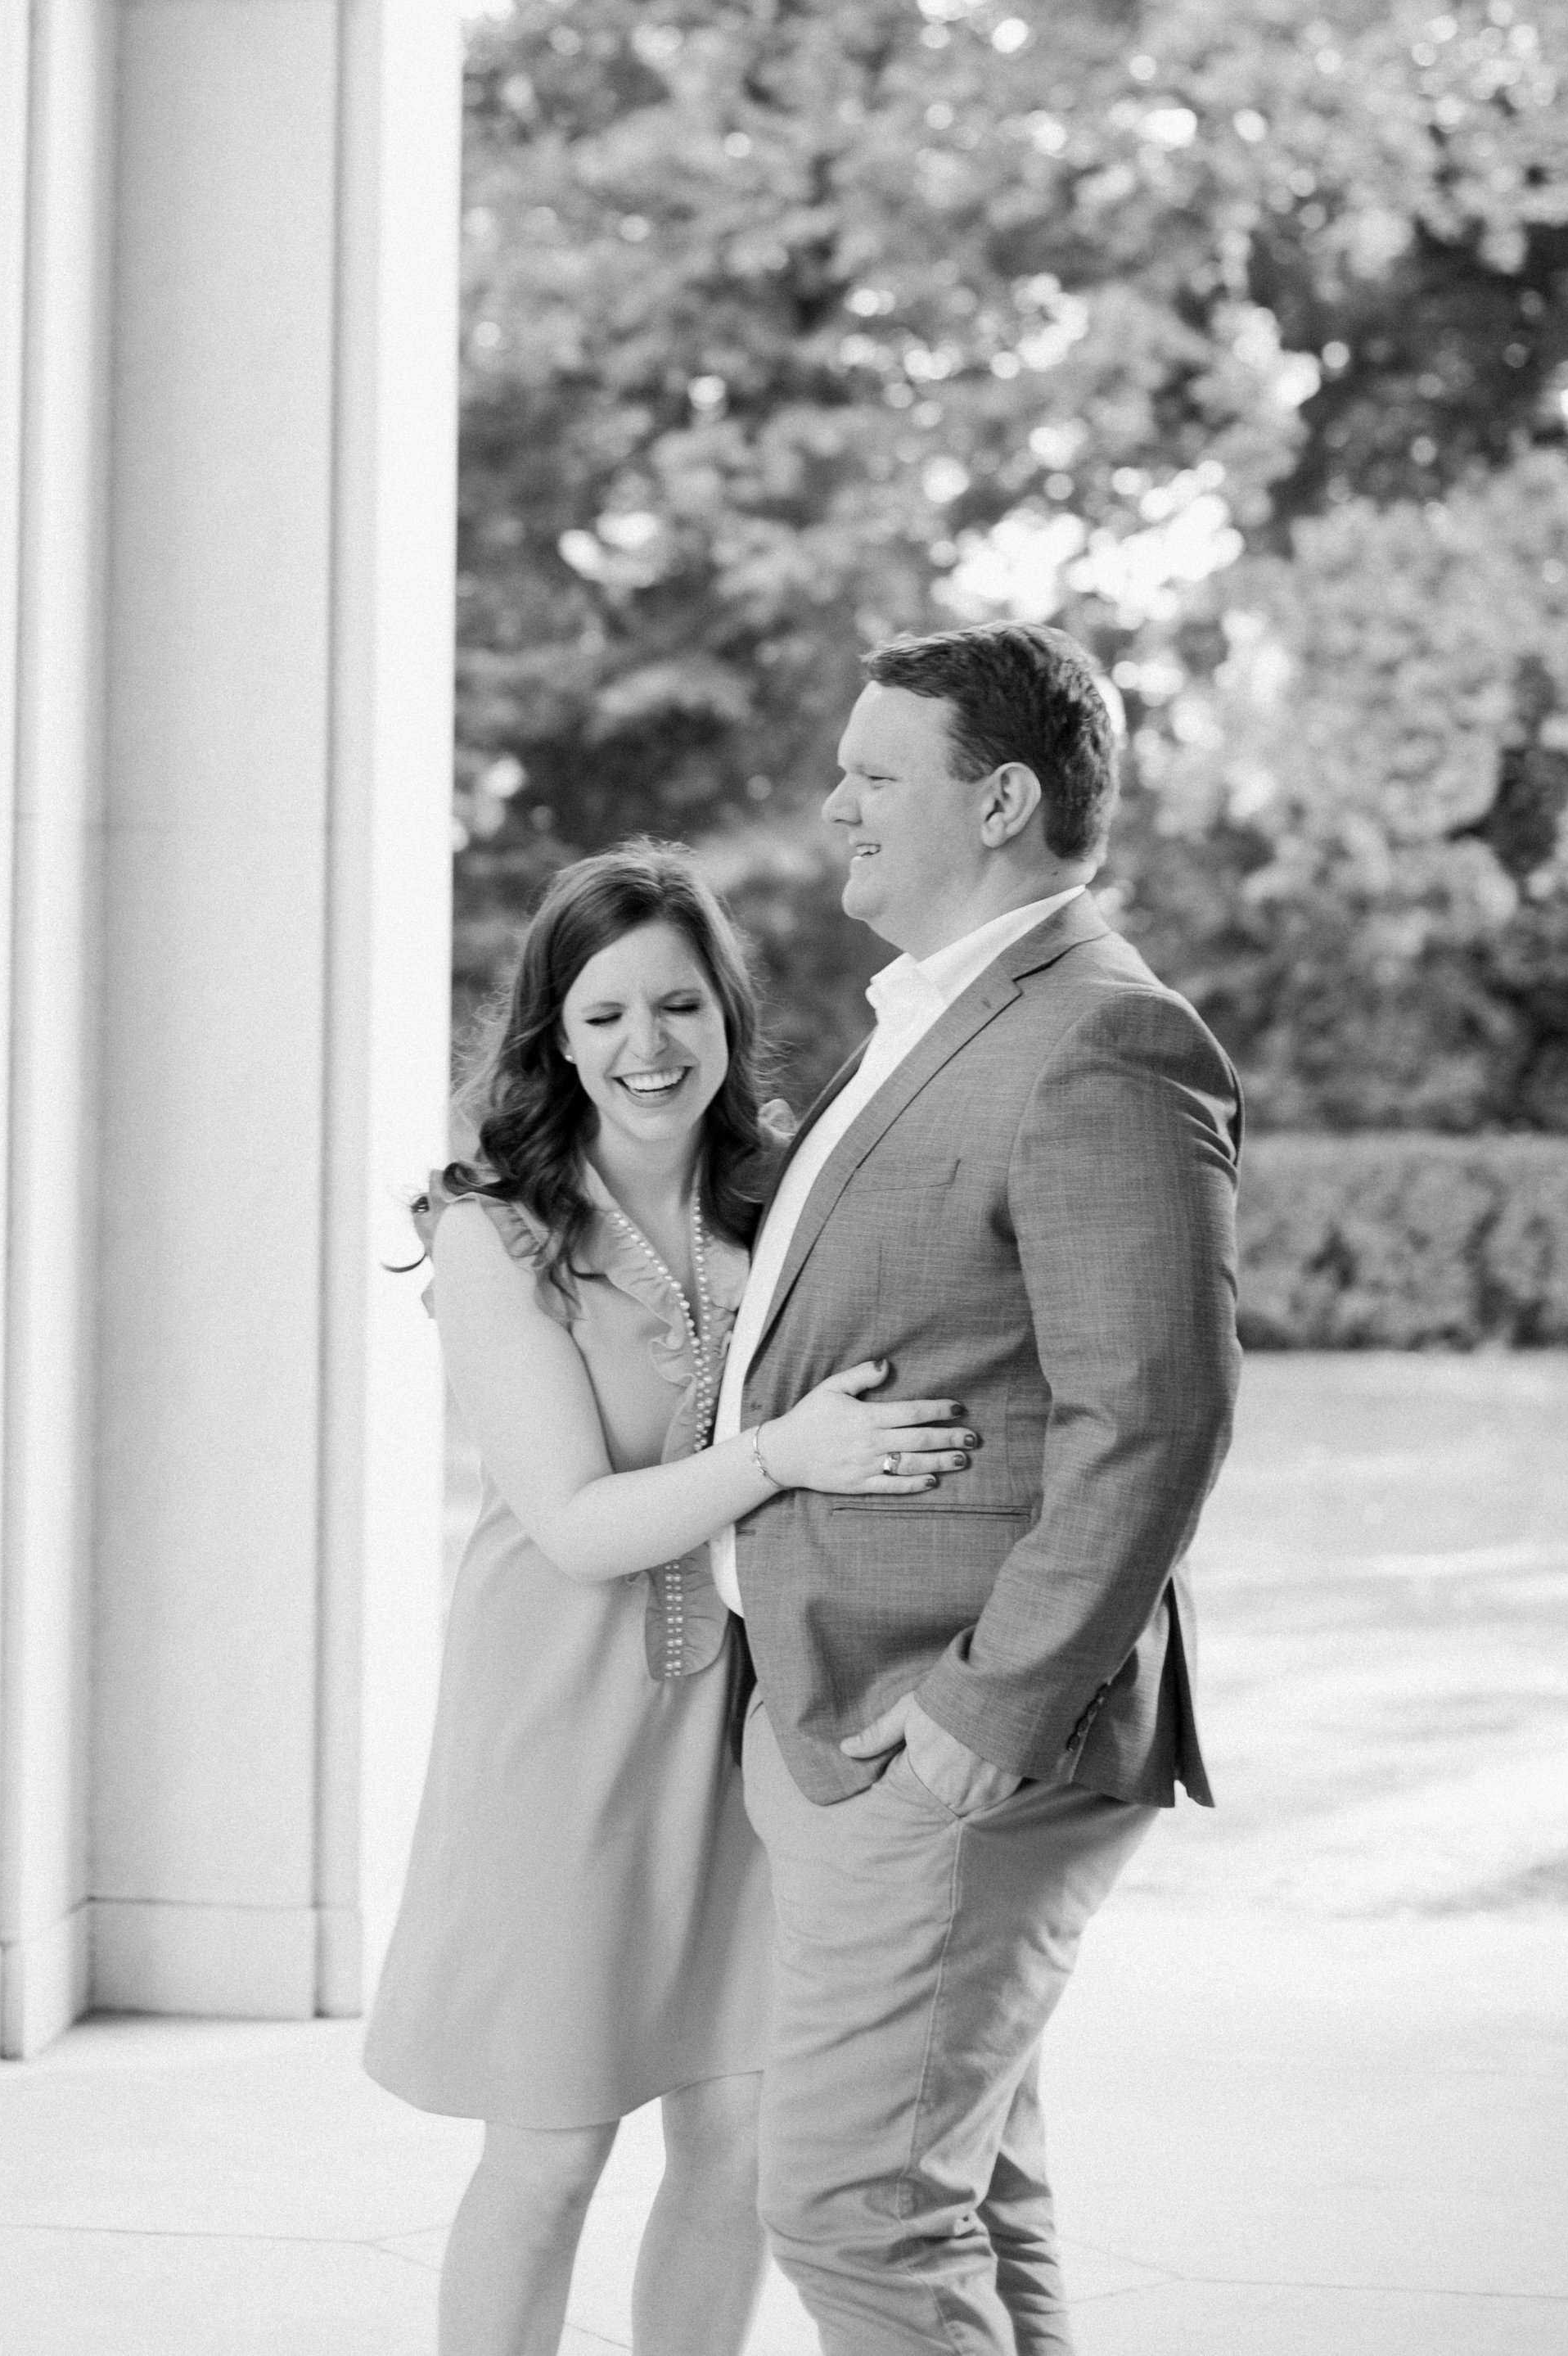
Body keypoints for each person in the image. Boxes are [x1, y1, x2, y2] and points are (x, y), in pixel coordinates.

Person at [363, 839, 979, 2356]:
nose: (649, 1047)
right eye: (606, 1014)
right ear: (555, 1040)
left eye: (681, 1006)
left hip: (750, 1728)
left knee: (743, 2130)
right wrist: (786, 1451)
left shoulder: (778, 1194)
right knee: (555, 2143)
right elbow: (575, 1522)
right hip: (559, 1718)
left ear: (726, 1014)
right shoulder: (496, 1225)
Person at [710, 623, 1243, 2354]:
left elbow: (1150, 1419)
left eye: (874, 773)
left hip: (944, 1738)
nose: (833, 803)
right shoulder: (936, 1015)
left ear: (998, 797)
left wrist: (972, 1723)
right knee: (962, 2199)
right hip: (851, 1713)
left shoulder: (1101, 1039)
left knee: (852, 2213)